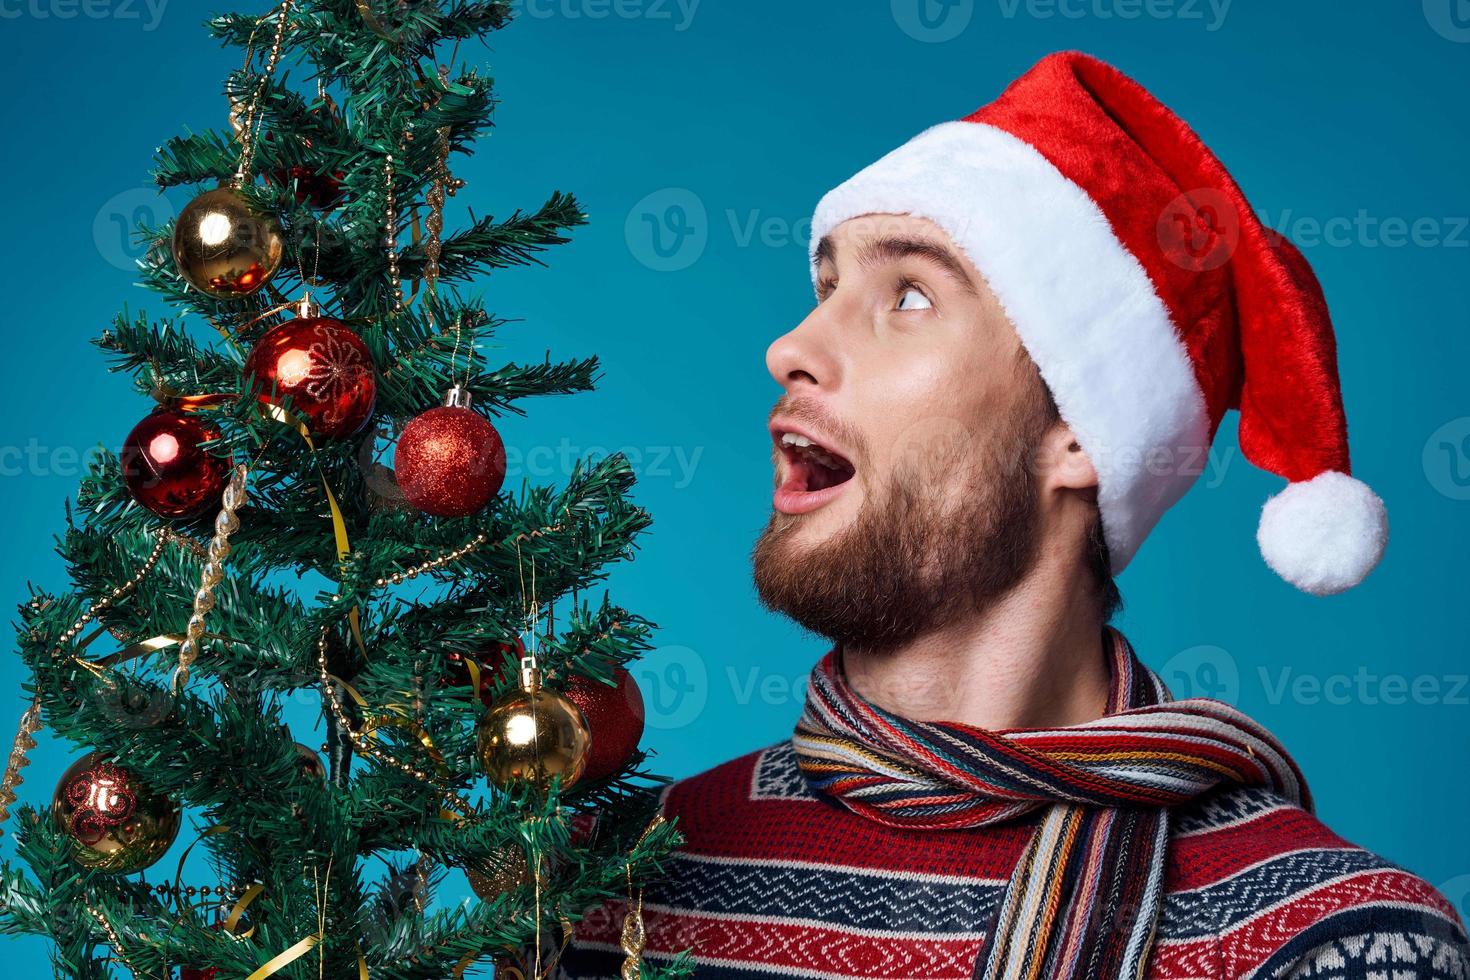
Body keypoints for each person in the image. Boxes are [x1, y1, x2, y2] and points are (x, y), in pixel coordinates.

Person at [561, 51, 1468, 980]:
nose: (789, 346)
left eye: (909, 295)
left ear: (1079, 432)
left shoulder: (1335, 943)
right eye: (826, 288)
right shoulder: (615, 886)